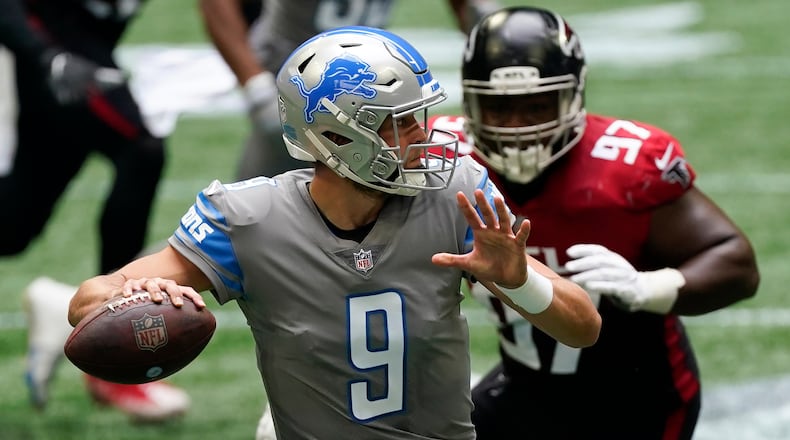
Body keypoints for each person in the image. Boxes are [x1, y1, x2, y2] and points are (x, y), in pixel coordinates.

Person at [68, 26, 602, 439]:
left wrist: (519, 281)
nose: (423, 135)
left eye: (418, 116)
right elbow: (86, 302)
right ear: (336, 136)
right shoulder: (250, 218)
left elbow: (583, 328)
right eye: (399, 122)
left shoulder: (454, 194)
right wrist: (137, 292)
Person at [426, 6, 761, 439]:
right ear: (471, 104)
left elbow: (737, 264)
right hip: (523, 387)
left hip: (637, 400)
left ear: (573, 97)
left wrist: (647, 288)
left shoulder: (625, 169)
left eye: (536, 107)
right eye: (498, 108)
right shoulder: (445, 162)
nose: (516, 127)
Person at [0, 0, 190, 421]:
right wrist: (44, 55)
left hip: (79, 53)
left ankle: (75, 311)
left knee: (11, 227)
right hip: (46, 50)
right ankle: (112, 326)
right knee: (141, 150)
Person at [198, 0, 499, 180]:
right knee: (267, 213)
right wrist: (254, 84)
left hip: (363, 85)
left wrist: (486, 23)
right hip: (297, 85)